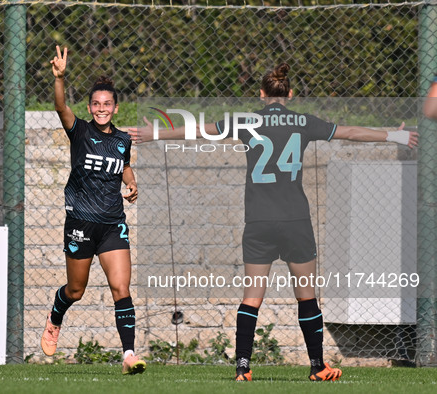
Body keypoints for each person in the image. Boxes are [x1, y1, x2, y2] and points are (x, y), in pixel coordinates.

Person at [129, 63, 418, 381]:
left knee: (251, 297)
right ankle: (317, 366)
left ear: (262, 93)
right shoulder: (303, 122)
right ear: (289, 94)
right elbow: (348, 132)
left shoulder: (246, 121)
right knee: (306, 296)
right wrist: (396, 135)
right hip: (295, 220)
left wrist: (154, 133)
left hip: (259, 222)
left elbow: (200, 129)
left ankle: (243, 367)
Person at [41, 46, 145, 375]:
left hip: (113, 224)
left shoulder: (122, 140)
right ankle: (56, 316)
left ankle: (129, 354)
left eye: (107, 104)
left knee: (121, 288)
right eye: (96, 104)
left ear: (115, 108)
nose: (102, 109)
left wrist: (131, 182)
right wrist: (59, 78)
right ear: (90, 107)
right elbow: (60, 106)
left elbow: (123, 167)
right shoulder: (81, 131)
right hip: (81, 223)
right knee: (76, 290)